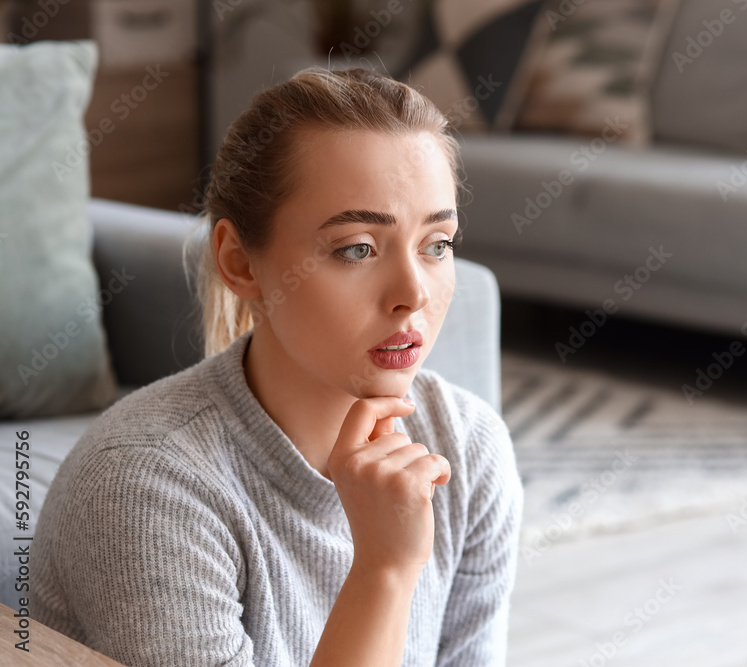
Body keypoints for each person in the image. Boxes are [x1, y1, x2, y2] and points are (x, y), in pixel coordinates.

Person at [32, 66, 524, 666]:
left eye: (437, 244)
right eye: (357, 249)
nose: (413, 293)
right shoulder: (144, 488)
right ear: (240, 264)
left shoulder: (468, 449)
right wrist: (385, 569)